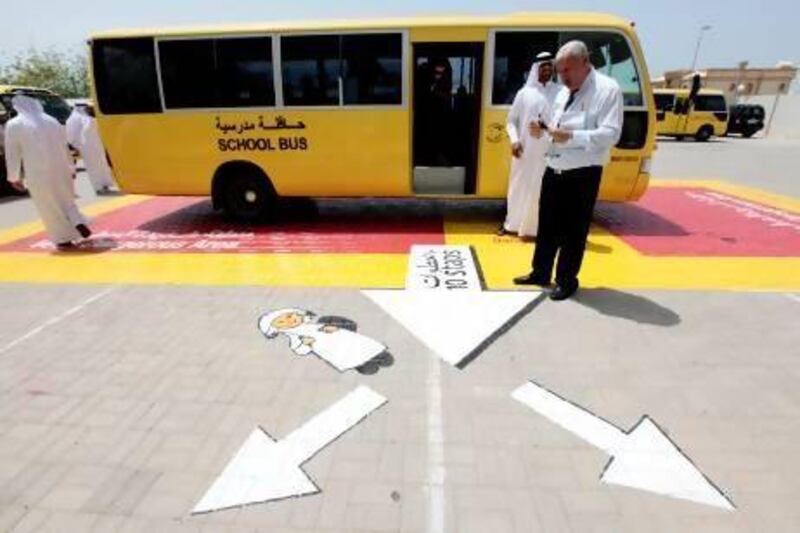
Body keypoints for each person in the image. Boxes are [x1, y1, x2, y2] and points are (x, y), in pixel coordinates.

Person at [514, 41, 624, 301]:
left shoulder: (607, 90)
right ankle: (540, 272)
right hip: (554, 167)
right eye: (559, 71)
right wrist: (542, 128)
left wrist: (572, 137)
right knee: (548, 225)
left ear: (585, 63)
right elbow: (556, 124)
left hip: (583, 173)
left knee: (574, 230)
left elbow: (611, 134)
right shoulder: (564, 92)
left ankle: (566, 279)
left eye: (568, 70)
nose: (563, 77)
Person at [4, 95, 91, 250]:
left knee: (49, 206)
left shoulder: (14, 124)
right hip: (62, 169)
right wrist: (71, 168)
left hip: (38, 172)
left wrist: (13, 177)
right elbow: (65, 147)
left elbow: (12, 153)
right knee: (67, 201)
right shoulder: (52, 121)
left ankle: (63, 239)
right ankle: (78, 222)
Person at [498, 51, 558, 239]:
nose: (547, 69)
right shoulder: (524, 93)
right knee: (519, 186)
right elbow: (511, 121)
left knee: (544, 189)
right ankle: (512, 225)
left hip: (548, 151)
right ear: (536, 70)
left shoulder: (560, 92)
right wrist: (515, 140)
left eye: (550, 66)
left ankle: (538, 229)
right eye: (543, 66)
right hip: (525, 150)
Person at [259, 308, 394, 375]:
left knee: (358, 344)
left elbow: (321, 327)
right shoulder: (294, 336)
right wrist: (305, 344)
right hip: (328, 347)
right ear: (277, 329)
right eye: (282, 322)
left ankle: (378, 354)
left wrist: (329, 328)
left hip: (340, 337)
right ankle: (363, 365)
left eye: (289, 316)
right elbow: (298, 349)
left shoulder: (311, 325)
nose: (289, 320)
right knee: (348, 355)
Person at [79, 104, 116, 194]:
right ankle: (102, 185)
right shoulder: (93, 121)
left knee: (96, 168)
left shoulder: (87, 122)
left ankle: (100, 186)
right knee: (101, 166)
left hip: (92, 149)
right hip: (97, 148)